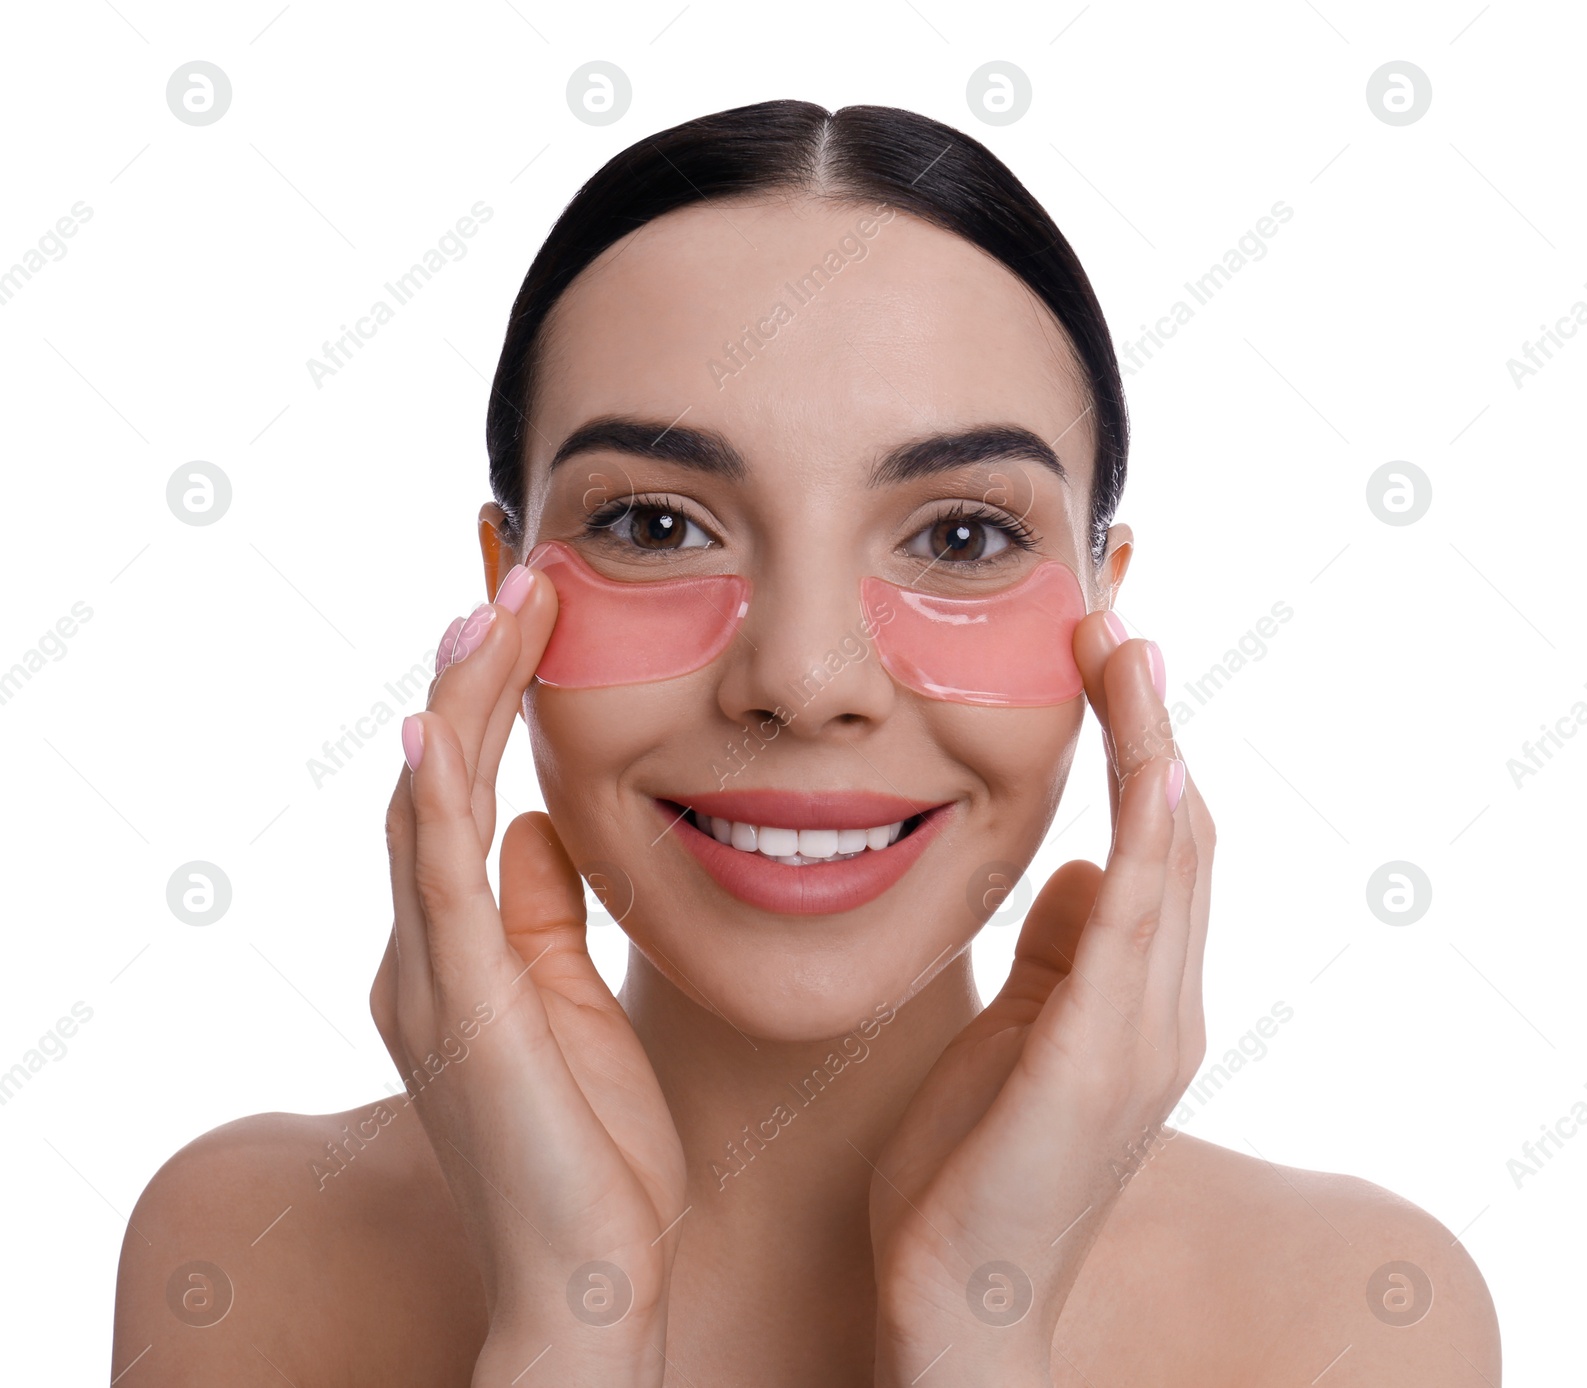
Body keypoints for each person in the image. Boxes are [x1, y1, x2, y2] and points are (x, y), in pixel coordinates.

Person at [112, 100, 1499, 1386]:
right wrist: (571, 1316)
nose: (800, 679)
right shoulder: (242, 1258)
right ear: (504, 588)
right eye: (655, 526)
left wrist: (975, 1320)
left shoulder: (1352, 1314)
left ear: (1103, 606)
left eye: (963, 537)